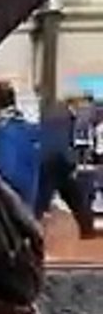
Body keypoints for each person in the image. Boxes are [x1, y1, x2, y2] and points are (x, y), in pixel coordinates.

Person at [39, 98, 97, 239]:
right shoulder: (64, 117)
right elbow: (61, 142)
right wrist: (72, 163)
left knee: (49, 198)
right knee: (74, 197)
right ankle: (87, 230)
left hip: (52, 161)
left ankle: (86, 229)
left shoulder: (60, 115)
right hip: (56, 161)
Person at [0, 81, 40, 209]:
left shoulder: (3, 133)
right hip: (26, 208)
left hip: (8, 212)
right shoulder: (25, 128)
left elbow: (5, 176)